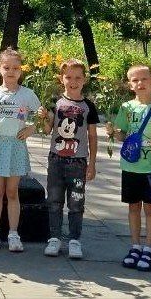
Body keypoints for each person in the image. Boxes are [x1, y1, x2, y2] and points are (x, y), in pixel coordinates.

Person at [0, 47, 42, 252]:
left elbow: (42, 115)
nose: (11, 71)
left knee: (12, 191)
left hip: (16, 146)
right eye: (6, 67)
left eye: (15, 68)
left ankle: (14, 234)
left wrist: (31, 128)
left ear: (21, 70)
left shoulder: (28, 94)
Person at [40, 59, 98, 260]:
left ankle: (74, 240)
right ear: (61, 79)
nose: (73, 82)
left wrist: (92, 164)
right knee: (54, 201)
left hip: (78, 162)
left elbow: (92, 136)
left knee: (76, 202)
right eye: (68, 77)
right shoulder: (55, 102)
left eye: (78, 78)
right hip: (56, 160)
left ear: (84, 80)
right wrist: (44, 118)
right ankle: (54, 237)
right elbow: (48, 130)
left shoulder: (89, 106)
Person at [107, 65, 151, 272]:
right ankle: (135, 246)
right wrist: (113, 132)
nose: (140, 83)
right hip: (131, 165)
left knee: (150, 207)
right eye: (135, 80)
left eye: (144, 79)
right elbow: (122, 135)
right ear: (130, 85)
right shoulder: (126, 107)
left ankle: (149, 248)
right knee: (132, 207)